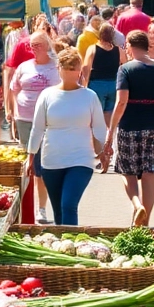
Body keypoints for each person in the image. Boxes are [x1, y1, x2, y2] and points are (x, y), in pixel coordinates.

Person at [102, 31, 154, 226]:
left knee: (127, 171)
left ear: (129, 45)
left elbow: (121, 103)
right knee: (149, 172)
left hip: (130, 126)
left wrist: (111, 131)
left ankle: (137, 205)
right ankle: (145, 222)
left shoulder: (125, 70)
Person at [28, 48, 108, 225]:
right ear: (59, 68)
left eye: (74, 67)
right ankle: (63, 246)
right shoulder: (47, 95)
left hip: (81, 160)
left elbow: (99, 128)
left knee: (68, 205)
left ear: (81, 70)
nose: (71, 72)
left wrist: (102, 152)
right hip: (52, 161)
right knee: (58, 210)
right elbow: (38, 128)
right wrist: (31, 155)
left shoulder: (89, 96)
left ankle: (72, 246)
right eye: (67, 67)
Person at [10, 32, 60, 223]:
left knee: (41, 165)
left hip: (48, 121)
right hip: (24, 118)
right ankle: (24, 205)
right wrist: (13, 112)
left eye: (38, 44)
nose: (34, 48)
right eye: (31, 45)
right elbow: (14, 89)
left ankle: (41, 208)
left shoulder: (55, 67)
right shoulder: (24, 66)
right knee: (26, 163)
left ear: (47, 45)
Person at [82, 24, 122, 112]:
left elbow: (85, 67)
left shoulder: (93, 48)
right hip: (113, 84)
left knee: (96, 113)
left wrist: (85, 83)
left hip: (97, 84)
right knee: (109, 113)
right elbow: (124, 66)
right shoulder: (119, 50)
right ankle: (109, 126)